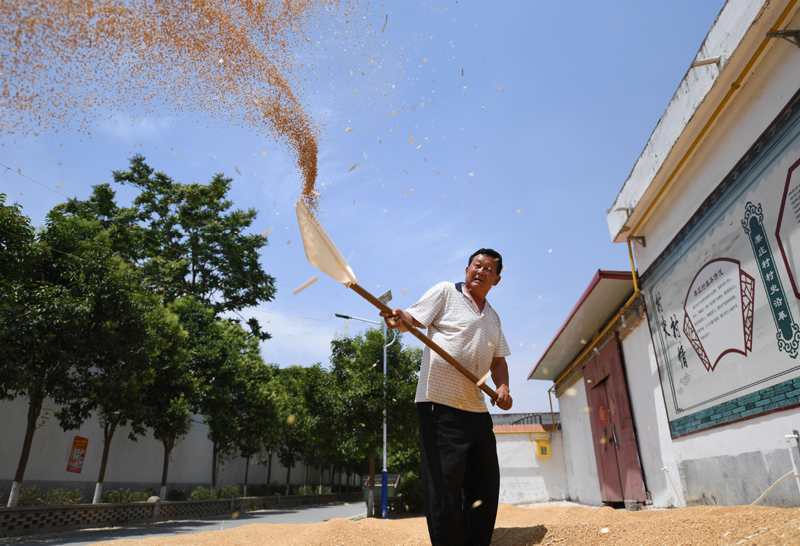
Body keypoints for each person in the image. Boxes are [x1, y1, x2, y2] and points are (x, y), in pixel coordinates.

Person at [380, 248, 512, 546]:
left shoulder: (493, 317)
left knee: (485, 486)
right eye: (476, 265)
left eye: (488, 268)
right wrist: (399, 318)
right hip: (438, 405)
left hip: (477, 409)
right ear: (467, 269)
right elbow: (412, 317)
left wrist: (503, 388)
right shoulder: (445, 292)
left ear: (497, 279)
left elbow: (499, 361)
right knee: (444, 488)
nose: (480, 271)